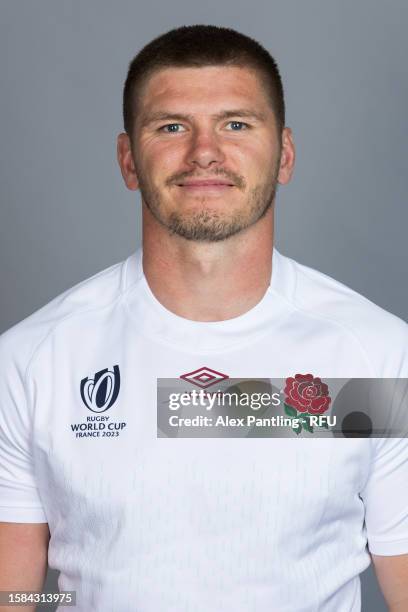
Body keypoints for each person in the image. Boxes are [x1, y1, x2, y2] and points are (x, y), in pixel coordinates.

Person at [0, 24, 407, 612]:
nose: (205, 152)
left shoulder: (376, 357)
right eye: (171, 127)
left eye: (236, 124)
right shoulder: (31, 360)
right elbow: (11, 594)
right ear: (128, 160)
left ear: (285, 154)